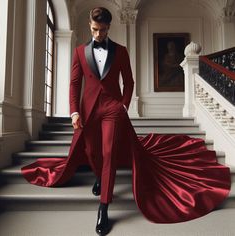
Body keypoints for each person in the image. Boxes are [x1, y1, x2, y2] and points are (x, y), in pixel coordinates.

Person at [21, 7, 231, 236]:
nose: (98, 34)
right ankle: (100, 177)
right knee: (92, 152)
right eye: (94, 29)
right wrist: (73, 112)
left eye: (102, 30)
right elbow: (74, 84)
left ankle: (104, 207)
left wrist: (123, 104)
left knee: (109, 152)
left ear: (108, 27)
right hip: (87, 110)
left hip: (112, 108)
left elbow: (129, 82)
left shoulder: (120, 51)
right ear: (90, 26)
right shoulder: (80, 52)